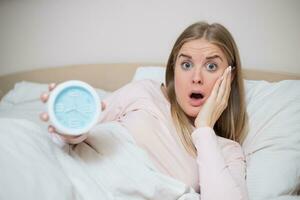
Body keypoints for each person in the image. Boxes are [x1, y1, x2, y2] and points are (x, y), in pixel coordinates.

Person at [41, 21, 248, 199]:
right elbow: (82, 132)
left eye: (211, 66)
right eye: (186, 64)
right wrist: (67, 124)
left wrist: (204, 129)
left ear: (228, 77)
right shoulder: (144, 91)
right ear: (173, 68)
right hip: (75, 178)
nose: (196, 77)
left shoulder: (227, 150)